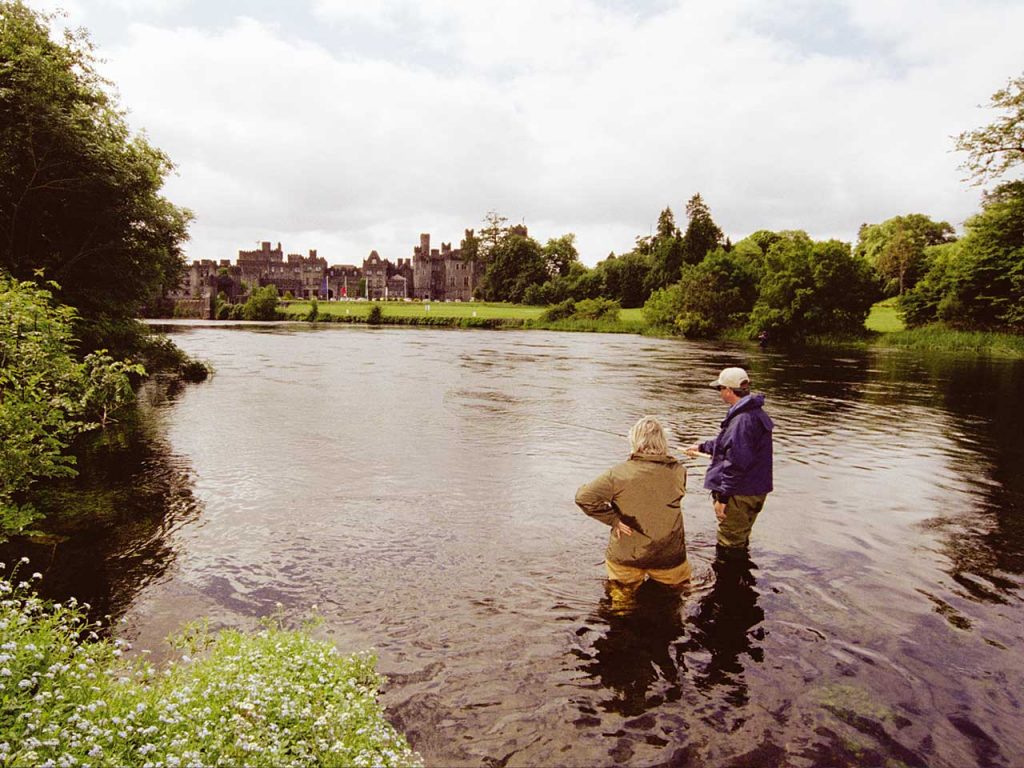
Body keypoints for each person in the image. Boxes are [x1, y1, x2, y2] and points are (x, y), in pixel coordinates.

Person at [575, 416, 691, 588]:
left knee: (621, 604)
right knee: (675, 599)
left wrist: (613, 520)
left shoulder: (617, 474)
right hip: (669, 555)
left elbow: (583, 497)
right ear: (663, 442)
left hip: (626, 556)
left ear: (635, 442)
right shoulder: (679, 471)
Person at [685, 367, 773, 553]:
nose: (720, 393)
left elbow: (736, 463)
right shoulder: (753, 412)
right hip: (754, 490)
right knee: (740, 537)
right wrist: (701, 447)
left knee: (729, 543)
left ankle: (729, 580)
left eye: (720, 389)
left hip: (739, 494)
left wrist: (723, 497)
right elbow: (729, 443)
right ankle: (742, 578)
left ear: (729, 390)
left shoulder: (742, 420)